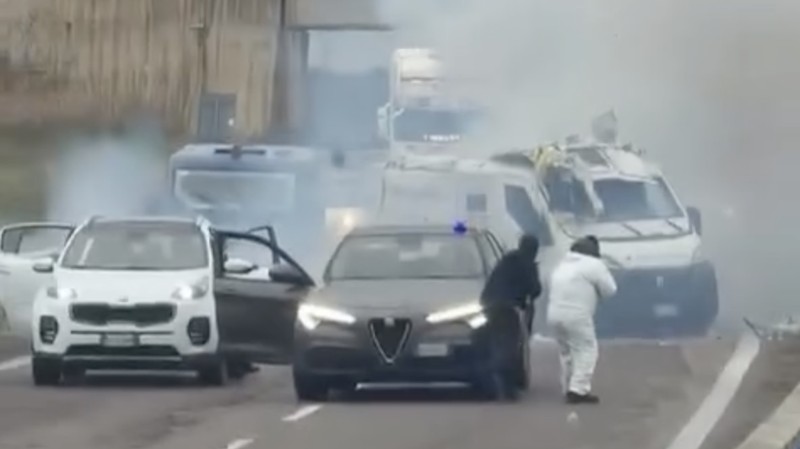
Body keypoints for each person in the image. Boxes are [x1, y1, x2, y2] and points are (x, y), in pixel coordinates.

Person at [547, 236, 617, 404]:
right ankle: (578, 390)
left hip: (554, 314)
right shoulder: (594, 264)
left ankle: (568, 387)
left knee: (566, 352)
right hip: (577, 316)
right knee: (586, 350)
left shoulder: (562, 265)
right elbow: (610, 289)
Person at [480, 233, 543, 398]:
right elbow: (535, 289)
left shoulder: (506, 260)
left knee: (497, 342)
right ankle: (505, 383)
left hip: (488, 305)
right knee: (510, 346)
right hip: (508, 308)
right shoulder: (527, 263)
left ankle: (494, 374)